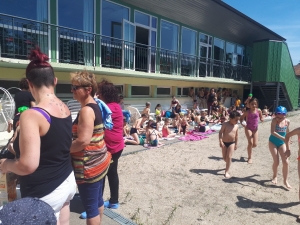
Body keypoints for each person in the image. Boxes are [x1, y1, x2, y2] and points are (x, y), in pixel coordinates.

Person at [0, 47, 76, 224]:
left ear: (29, 83)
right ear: (55, 81)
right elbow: (54, 143)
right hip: (66, 180)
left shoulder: (32, 115)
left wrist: (6, 164)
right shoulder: (65, 107)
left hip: (45, 190)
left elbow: (28, 165)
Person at [70, 70, 111, 224]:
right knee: (97, 202)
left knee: (91, 208)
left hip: (88, 167)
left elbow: (82, 142)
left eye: (75, 87)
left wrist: (62, 149)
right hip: (99, 163)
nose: (72, 90)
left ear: (88, 90)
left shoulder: (87, 110)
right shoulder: (95, 105)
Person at [97, 80, 124, 210]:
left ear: (104, 94)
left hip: (111, 147)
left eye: (99, 92)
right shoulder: (115, 105)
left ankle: (97, 205)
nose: (97, 94)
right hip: (117, 146)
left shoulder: (109, 107)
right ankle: (113, 201)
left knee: (100, 175)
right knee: (112, 173)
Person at [268, 106, 291, 189]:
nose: (280, 119)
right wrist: (283, 138)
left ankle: (285, 180)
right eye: (278, 117)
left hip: (282, 143)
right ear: (275, 115)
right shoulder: (274, 121)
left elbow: (288, 133)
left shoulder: (287, 121)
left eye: (282, 117)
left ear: (285, 116)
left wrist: (288, 143)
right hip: (273, 142)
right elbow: (272, 132)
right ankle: (275, 176)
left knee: (286, 162)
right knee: (276, 162)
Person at [240, 98, 264, 164]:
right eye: (252, 104)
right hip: (248, 128)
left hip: (255, 129)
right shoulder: (247, 112)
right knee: (250, 142)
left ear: (257, 104)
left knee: (255, 144)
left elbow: (261, 117)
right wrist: (242, 123)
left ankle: (249, 148)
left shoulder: (259, 111)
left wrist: (262, 119)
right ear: (249, 105)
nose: (254, 105)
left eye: (255, 104)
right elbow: (241, 118)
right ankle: (249, 157)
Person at [219, 111, 241, 178]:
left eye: (238, 120)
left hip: (232, 143)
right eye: (236, 120)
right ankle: (228, 162)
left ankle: (227, 171)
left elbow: (236, 136)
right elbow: (220, 133)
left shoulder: (236, 126)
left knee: (229, 157)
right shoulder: (225, 124)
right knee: (225, 158)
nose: (237, 121)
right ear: (231, 118)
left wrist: (236, 144)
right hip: (224, 143)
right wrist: (220, 141)